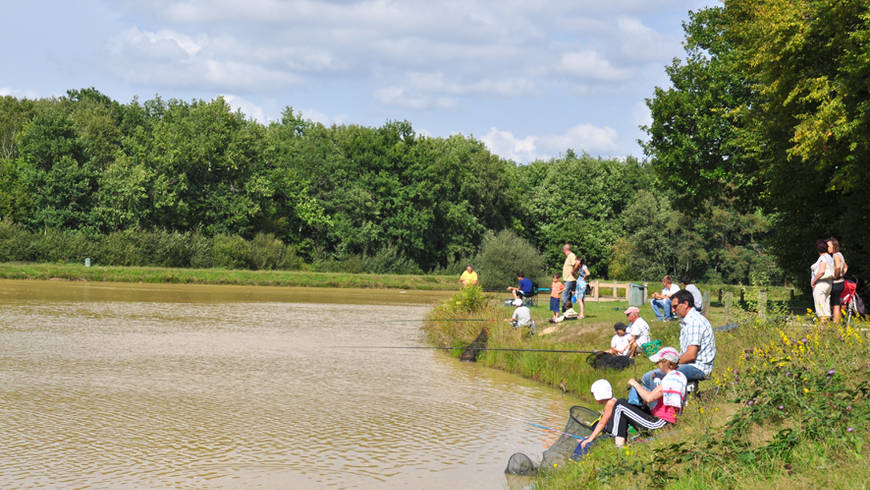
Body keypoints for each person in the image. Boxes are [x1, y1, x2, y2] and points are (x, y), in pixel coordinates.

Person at [629, 290, 715, 406]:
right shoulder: (689, 321)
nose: (673, 310)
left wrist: (669, 364)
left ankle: (658, 411)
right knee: (649, 377)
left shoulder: (694, 322)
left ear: (685, 304)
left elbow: (691, 355)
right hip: (691, 364)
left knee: (654, 376)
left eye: (675, 306)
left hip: (698, 367)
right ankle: (638, 407)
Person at [810, 239, 834, 322]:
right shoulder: (830, 258)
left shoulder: (822, 258)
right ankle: (827, 327)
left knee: (820, 306)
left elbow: (822, 271)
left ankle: (822, 328)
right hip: (829, 284)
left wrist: (814, 280)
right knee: (826, 305)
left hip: (821, 284)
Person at [828, 238, 848, 323]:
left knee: (835, 305)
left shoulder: (835, 255)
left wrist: (835, 276)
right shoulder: (840, 254)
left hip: (836, 283)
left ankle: (836, 324)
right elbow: (846, 267)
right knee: (838, 304)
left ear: (834, 246)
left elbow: (838, 267)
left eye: (829, 246)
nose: (827, 248)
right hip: (841, 282)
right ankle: (838, 321)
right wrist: (842, 274)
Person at [561, 244, 579, 311]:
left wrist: (573, 271)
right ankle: (569, 312)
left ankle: (564, 311)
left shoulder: (571, 255)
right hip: (568, 279)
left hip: (570, 279)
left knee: (564, 296)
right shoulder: (569, 256)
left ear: (565, 250)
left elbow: (576, 263)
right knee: (568, 297)